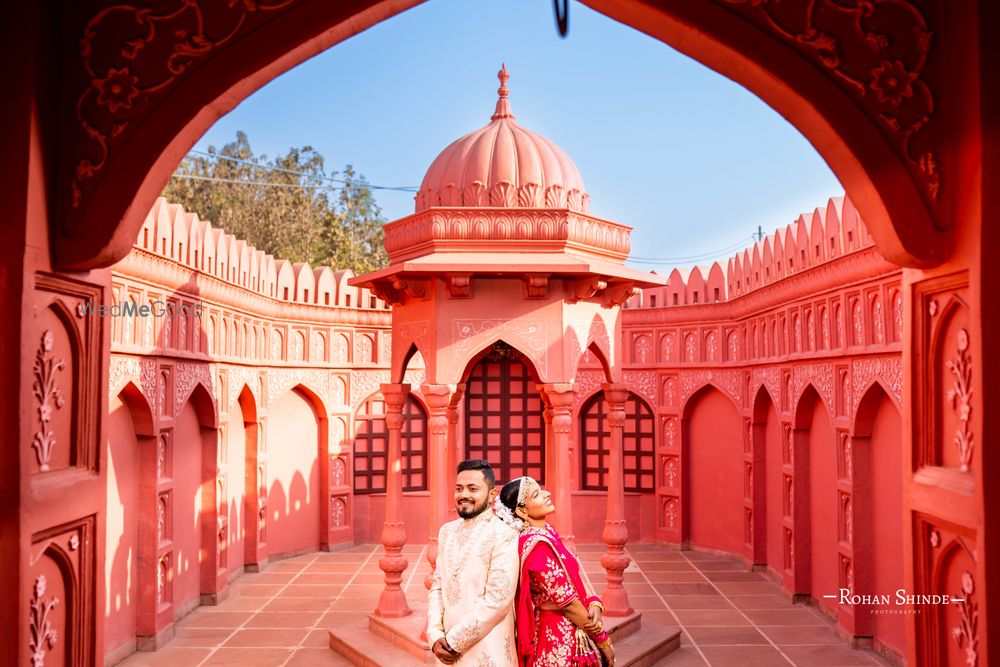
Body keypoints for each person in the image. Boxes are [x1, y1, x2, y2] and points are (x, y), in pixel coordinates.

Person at [495, 476, 616, 667]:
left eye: (541, 490)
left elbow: (571, 579)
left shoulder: (547, 531)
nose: (546, 494)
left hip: (570, 623)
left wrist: (593, 603)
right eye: (536, 494)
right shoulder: (537, 547)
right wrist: (603, 641)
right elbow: (568, 603)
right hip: (560, 636)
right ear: (521, 510)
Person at [427, 459, 519, 666]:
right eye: (459, 488)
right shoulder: (447, 532)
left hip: (487, 651)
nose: (464, 495)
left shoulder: (504, 534)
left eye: (473, 488)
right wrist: (434, 636)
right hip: (446, 652)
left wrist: (454, 641)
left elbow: (498, 600)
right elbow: (437, 587)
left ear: (491, 495)